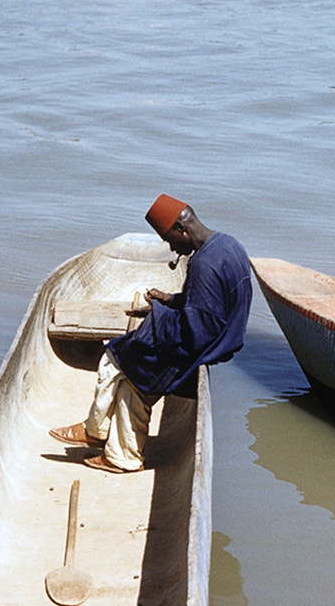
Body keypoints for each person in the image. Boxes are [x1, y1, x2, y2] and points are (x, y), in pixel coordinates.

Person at [50, 194, 252, 473]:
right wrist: (170, 300)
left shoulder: (203, 265)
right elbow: (211, 304)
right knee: (126, 367)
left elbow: (200, 329)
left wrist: (159, 317)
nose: (170, 247)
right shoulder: (228, 244)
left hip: (208, 346)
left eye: (169, 240)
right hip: (226, 337)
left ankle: (108, 443)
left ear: (181, 229)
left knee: (118, 358)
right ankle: (110, 443)